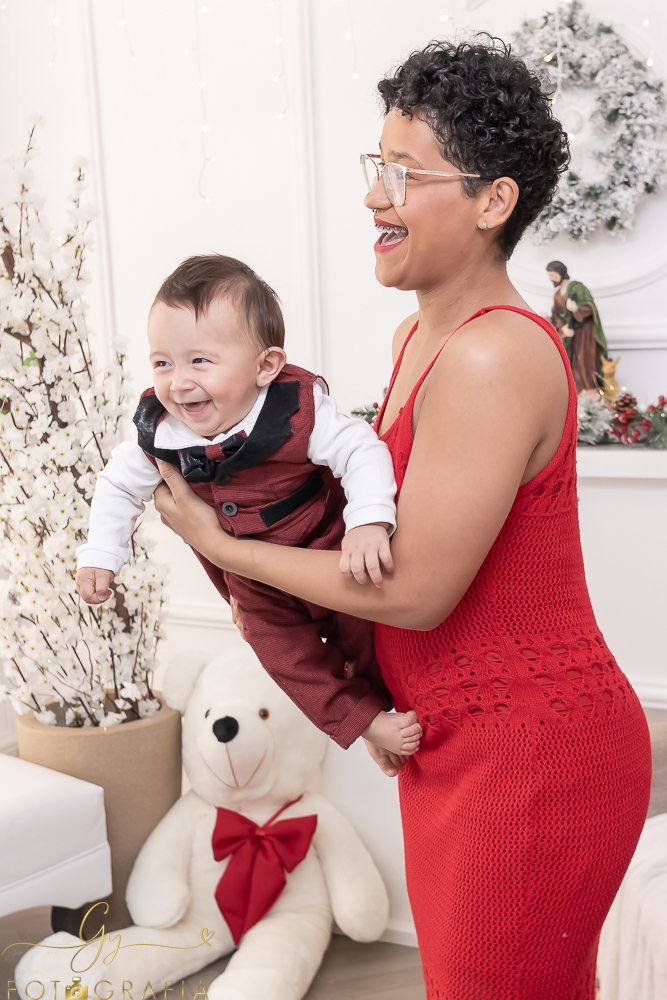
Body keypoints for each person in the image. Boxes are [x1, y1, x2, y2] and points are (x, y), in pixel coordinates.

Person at [150, 38, 653, 1000]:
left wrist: (221, 544)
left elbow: (416, 590)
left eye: (403, 173)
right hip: (454, 743)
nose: (375, 197)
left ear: (491, 201)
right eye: (373, 168)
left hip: (533, 759)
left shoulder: (491, 357)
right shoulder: (419, 335)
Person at [76, 254, 423, 756]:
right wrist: (101, 555)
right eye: (162, 362)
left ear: (266, 366)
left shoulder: (294, 410)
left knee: (368, 632)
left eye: (200, 360)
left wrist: (368, 522)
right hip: (256, 589)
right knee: (286, 658)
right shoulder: (162, 434)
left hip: (329, 551)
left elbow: (360, 449)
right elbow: (115, 487)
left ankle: (381, 697)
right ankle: (363, 720)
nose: (178, 381)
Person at [547, 260, 608, 393]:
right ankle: (577, 394)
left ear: (561, 273)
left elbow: (590, 307)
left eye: (552, 275)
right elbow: (556, 315)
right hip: (570, 336)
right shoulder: (557, 295)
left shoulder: (578, 288)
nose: (550, 279)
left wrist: (577, 309)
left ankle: (592, 392)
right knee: (572, 362)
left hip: (584, 333)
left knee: (585, 361)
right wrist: (563, 328)